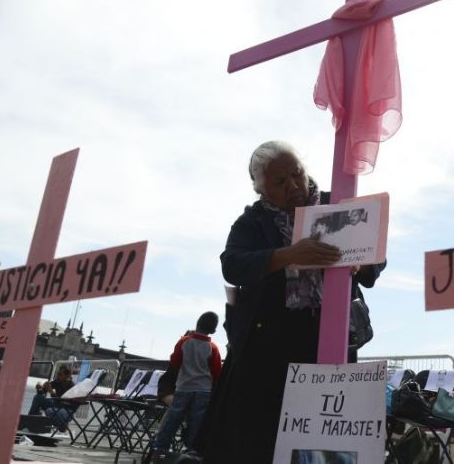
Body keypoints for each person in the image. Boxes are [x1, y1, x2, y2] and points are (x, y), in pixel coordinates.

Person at [197, 140, 384, 463]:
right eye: (280, 182)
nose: (294, 186)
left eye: (297, 174)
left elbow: (375, 259)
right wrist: (289, 255)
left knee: (324, 431)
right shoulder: (253, 221)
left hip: (331, 337)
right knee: (262, 438)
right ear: (260, 188)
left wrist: (361, 262)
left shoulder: (336, 205)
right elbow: (232, 264)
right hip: (268, 347)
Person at [151, 311, 222, 458]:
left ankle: (160, 449)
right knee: (196, 422)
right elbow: (216, 373)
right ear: (213, 330)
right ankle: (191, 451)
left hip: (184, 388)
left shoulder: (184, 342)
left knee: (173, 419)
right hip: (203, 391)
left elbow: (175, 362)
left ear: (197, 323)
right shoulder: (213, 348)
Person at [27, 364, 75, 432]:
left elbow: (63, 402)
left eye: (60, 374)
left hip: (65, 408)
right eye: (57, 374)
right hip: (56, 405)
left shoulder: (71, 386)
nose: (57, 376)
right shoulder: (57, 382)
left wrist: (51, 392)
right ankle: (30, 421)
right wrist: (39, 389)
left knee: (51, 410)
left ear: (67, 376)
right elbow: (42, 392)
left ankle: (61, 426)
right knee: (38, 397)